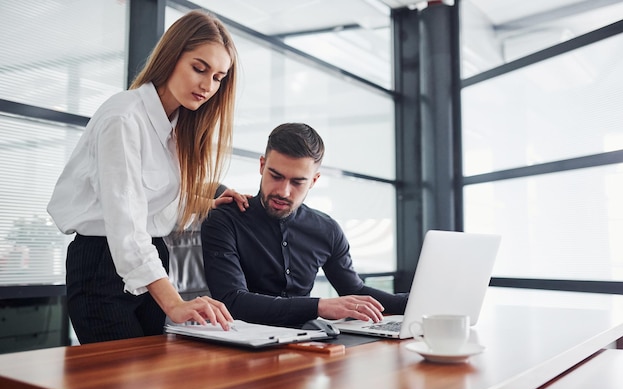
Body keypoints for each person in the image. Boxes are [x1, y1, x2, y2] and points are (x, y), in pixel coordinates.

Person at [47, 10, 248, 344]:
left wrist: (205, 203)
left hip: (152, 259)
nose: (207, 85)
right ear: (172, 56)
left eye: (218, 77)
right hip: (103, 263)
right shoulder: (123, 118)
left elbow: (152, 198)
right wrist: (176, 303)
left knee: (152, 384)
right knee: (122, 387)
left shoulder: (175, 129)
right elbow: (126, 223)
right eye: (199, 68)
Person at [201, 123, 408, 328]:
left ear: (314, 181)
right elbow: (232, 301)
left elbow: (354, 290)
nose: (283, 191)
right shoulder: (224, 220)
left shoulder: (327, 229)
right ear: (262, 165)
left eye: (297, 182)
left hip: (307, 343)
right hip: (240, 343)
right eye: (276, 176)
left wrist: (414, 302)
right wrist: (317, 307)